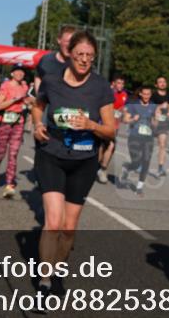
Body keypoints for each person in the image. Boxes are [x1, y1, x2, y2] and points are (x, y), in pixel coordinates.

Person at [32, 31, 117, 302]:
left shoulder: (101, 87)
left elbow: (110, 130)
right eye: (80, 54)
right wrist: (37, 124)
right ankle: (44, 282)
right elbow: (37, 106)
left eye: (90, 56)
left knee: (69, 228)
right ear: (69, 54)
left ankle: (57, 270)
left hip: (84, 160)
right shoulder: (52, 80)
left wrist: (91, 125)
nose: (84, 60)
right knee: (53, 221)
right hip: (51, 154)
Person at [0, 66, 30, 197]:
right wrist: (14, 99)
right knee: (1, 153)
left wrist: (30, 102)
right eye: (17, 71)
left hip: (19, 123)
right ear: (12, 73)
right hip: (5, 122)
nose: (20, 73)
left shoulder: (24, 86)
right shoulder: (5, 86)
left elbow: (27, 101)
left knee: (13, 155)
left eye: (22, 71)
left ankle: (9, 185)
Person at [120, 85, 157, 196]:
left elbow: (156, 122)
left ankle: (139, 187)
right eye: (144, 94)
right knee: (136, 163)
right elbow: (125, 120)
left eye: (148, 94)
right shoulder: (133, 105)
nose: (146, 96)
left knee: (146, 161)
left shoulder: (153, 106)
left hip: (148, 138)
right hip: (134, 137)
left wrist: (155, 121)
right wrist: (133, 119)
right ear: (140, 94)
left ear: (151, 95)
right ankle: (127, 168)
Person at [98, 75, 128, 182]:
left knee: (109, 146)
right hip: (103, 123)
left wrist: (123, 112)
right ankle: (100, 168)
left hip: (115, 125)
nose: (121, 85)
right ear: (113, 83)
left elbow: (123, 107)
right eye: (119, 83)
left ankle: (101, 167)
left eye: (122, 83)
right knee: (107, 145)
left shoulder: (124, 95)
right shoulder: (108, 92)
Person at [34, 25, 76, 94]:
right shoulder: (46, 60)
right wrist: (39, 96)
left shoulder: (78, 63)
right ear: (59, 40)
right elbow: (38, 77)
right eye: (67, 41)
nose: (69, 45)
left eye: (73, 42)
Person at [152, 76, 169, 177]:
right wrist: (160, 107)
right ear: (156, 85)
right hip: (152, 122)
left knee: (162, 145)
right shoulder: (153, 96)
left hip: (163, 124)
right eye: (160, 82)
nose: (162, 83)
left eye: (164, 81)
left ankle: (160, 168)